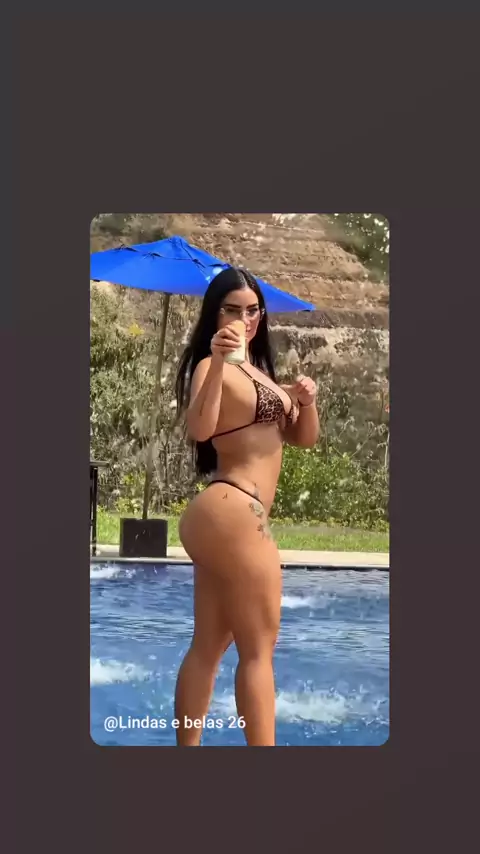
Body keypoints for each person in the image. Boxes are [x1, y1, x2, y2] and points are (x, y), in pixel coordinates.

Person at [173, 266, 320, 746]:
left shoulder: (258, 370)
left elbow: (304, 439)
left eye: (253, 309)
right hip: (235, 511)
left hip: (221, 517)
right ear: (215, 314)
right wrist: (217, 362)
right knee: (258, 651)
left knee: (209, 646)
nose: (245, 318)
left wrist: (305, 400)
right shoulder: (211, 366)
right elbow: (201, 429)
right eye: (232, 309)